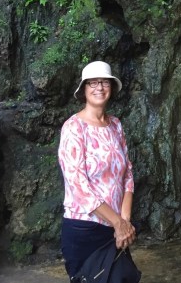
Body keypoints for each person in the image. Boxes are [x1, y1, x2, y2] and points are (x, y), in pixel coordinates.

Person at [58, 60, 140, 281]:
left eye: (104, 82)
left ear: (111, 88)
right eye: (93, 83)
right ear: (84, 90)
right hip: (84, 228)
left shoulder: (116, 125)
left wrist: (125, 220)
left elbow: (128, 175)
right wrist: (118, 223)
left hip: (115, 229)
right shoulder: (73, 128)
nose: (99, 88)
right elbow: (78, 188)